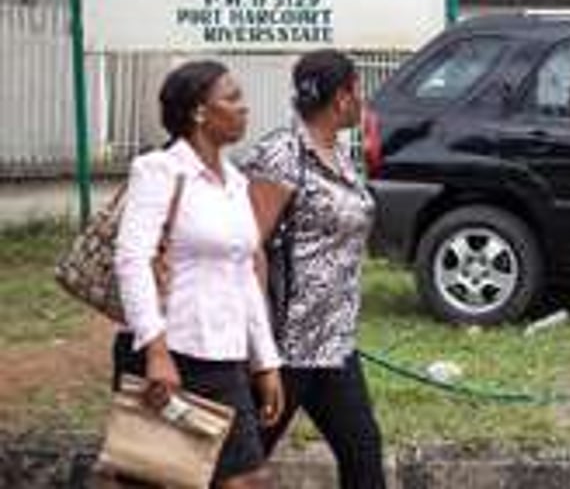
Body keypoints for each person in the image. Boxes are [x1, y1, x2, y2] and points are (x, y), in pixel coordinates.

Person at [113, 60, 283, 489]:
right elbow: (131, 259)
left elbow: (244, 273)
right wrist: (156, 351)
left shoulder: (236, 183)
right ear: (198, 113)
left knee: (246, 478)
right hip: (172, 354)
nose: (245, 108)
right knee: (155, 479)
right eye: (232, 98)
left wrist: (265, 361)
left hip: (225, 360)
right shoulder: (159, 170)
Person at [243, 49, 385, 489]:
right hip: (286, 345)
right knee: (238, 466)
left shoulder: (339, 153)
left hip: (334, 342)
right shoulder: (283, 154)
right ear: (342, 98)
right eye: (358, 89)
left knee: (364, 458)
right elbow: (248, 247)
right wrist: (260, 349)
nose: (363, 99)